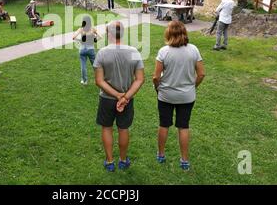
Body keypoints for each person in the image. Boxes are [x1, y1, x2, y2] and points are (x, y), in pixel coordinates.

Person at [152, 21, 205, 171]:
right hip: (187, 96)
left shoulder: (164, 51)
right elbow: (201, 74)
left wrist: (158, 89)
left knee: (164, 124)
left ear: (169, 33)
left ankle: (161, 155)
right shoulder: (193, 49)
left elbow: (155, 77)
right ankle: (184, 160)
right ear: (184, 33)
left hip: (166, 95)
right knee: (183, 126)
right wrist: (192, 87)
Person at [94, 21, 145, 172]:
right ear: (122, 33)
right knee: (123, 129)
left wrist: (117, 95)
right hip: (126, 101)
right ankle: (123, 161)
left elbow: (99, 81)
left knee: (107, 128)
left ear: (109, 34)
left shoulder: (102, 53)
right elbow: (140, 79)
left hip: (107, 99)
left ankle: (110, 162)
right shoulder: (134, 51)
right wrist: (125, 97)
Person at [72, 16, 100, 85]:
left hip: (82, 50)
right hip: (91, 49)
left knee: (83, 66)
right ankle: (98, 79)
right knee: (95, 65)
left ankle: (84, 81)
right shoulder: (92, 29)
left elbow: (73, 37)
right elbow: (100, 36)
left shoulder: (81, 29)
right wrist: (95, 40)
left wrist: (80, 41)